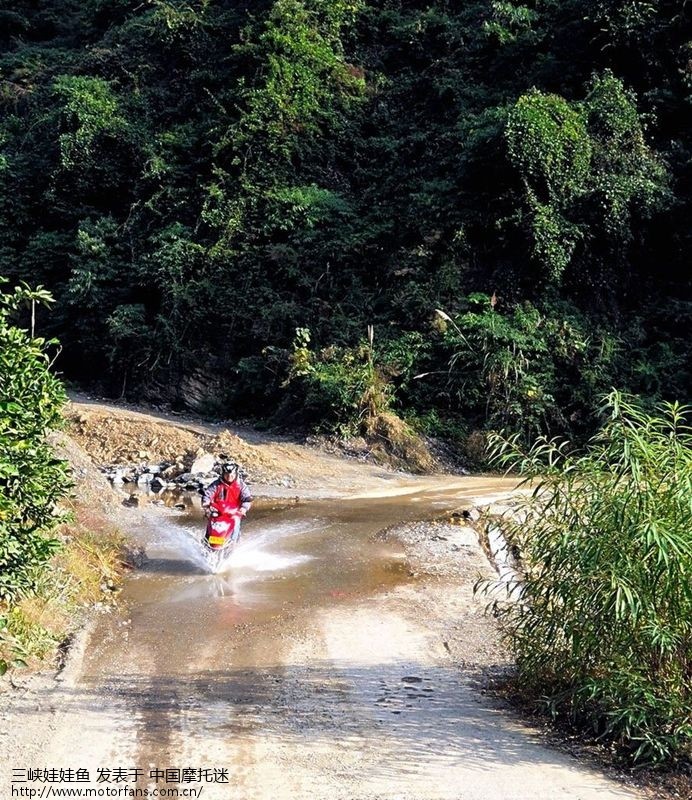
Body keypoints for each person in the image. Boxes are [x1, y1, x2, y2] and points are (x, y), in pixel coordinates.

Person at [201, 461, 252, 544]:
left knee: (236, 523)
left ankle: (233, 543)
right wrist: (206, 505)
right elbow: (207, 494)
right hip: (217, 512)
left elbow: (247, 499)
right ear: (223, 474)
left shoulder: (241, 485)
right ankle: (206, 542)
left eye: (232, 475)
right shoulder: (216, 484)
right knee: (211, 522)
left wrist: (244, 508)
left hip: (234, 513)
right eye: (227, 475)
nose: (229, 477)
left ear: (235, 474)